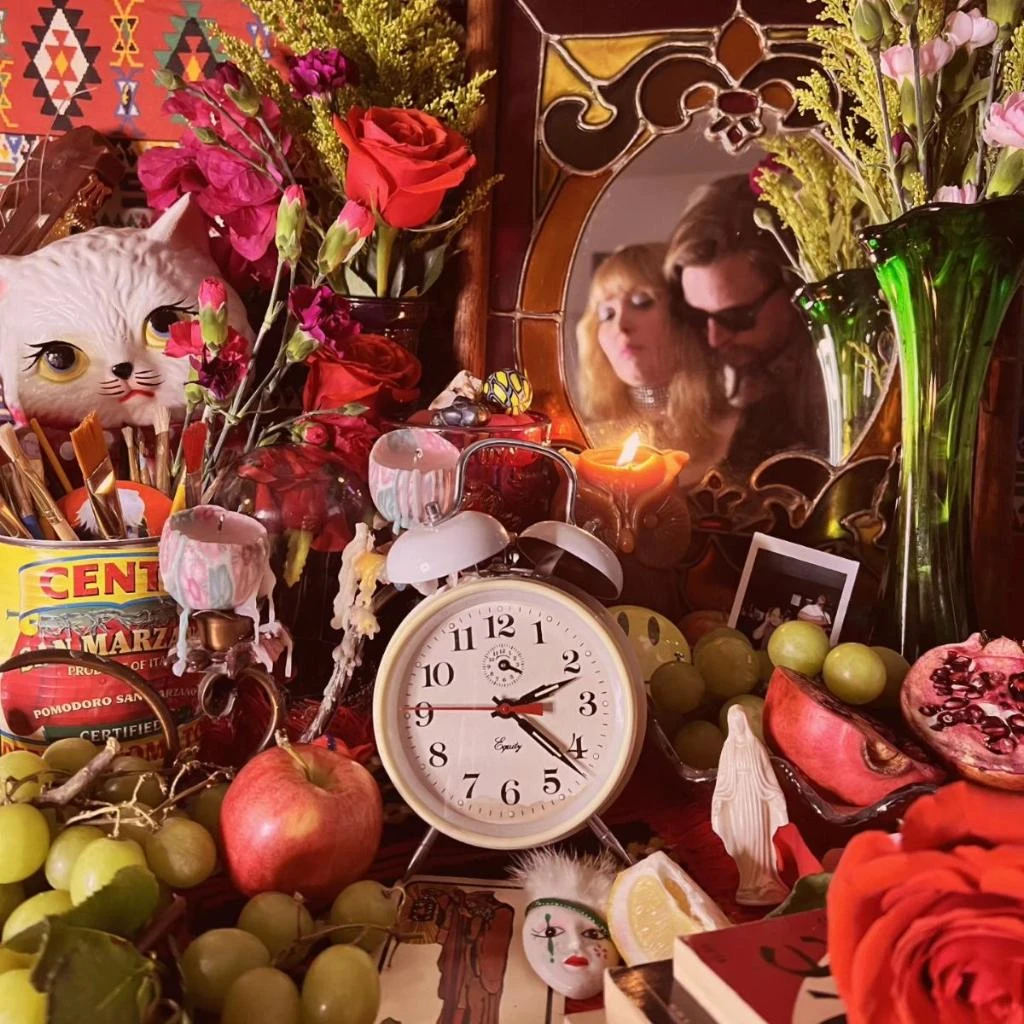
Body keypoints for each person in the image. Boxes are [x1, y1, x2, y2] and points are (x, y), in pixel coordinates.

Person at [664, 175, 828, 472]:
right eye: (697, 316)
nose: (714, 339)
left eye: (736, 318)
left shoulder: (838, 379)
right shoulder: (714, 378)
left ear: (792, 286)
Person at [576, 243, 738, 484]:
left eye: (642, 302)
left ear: (685, 315)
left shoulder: (743, 431)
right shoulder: (580, 437)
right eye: (606, 314)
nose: (620, 325)